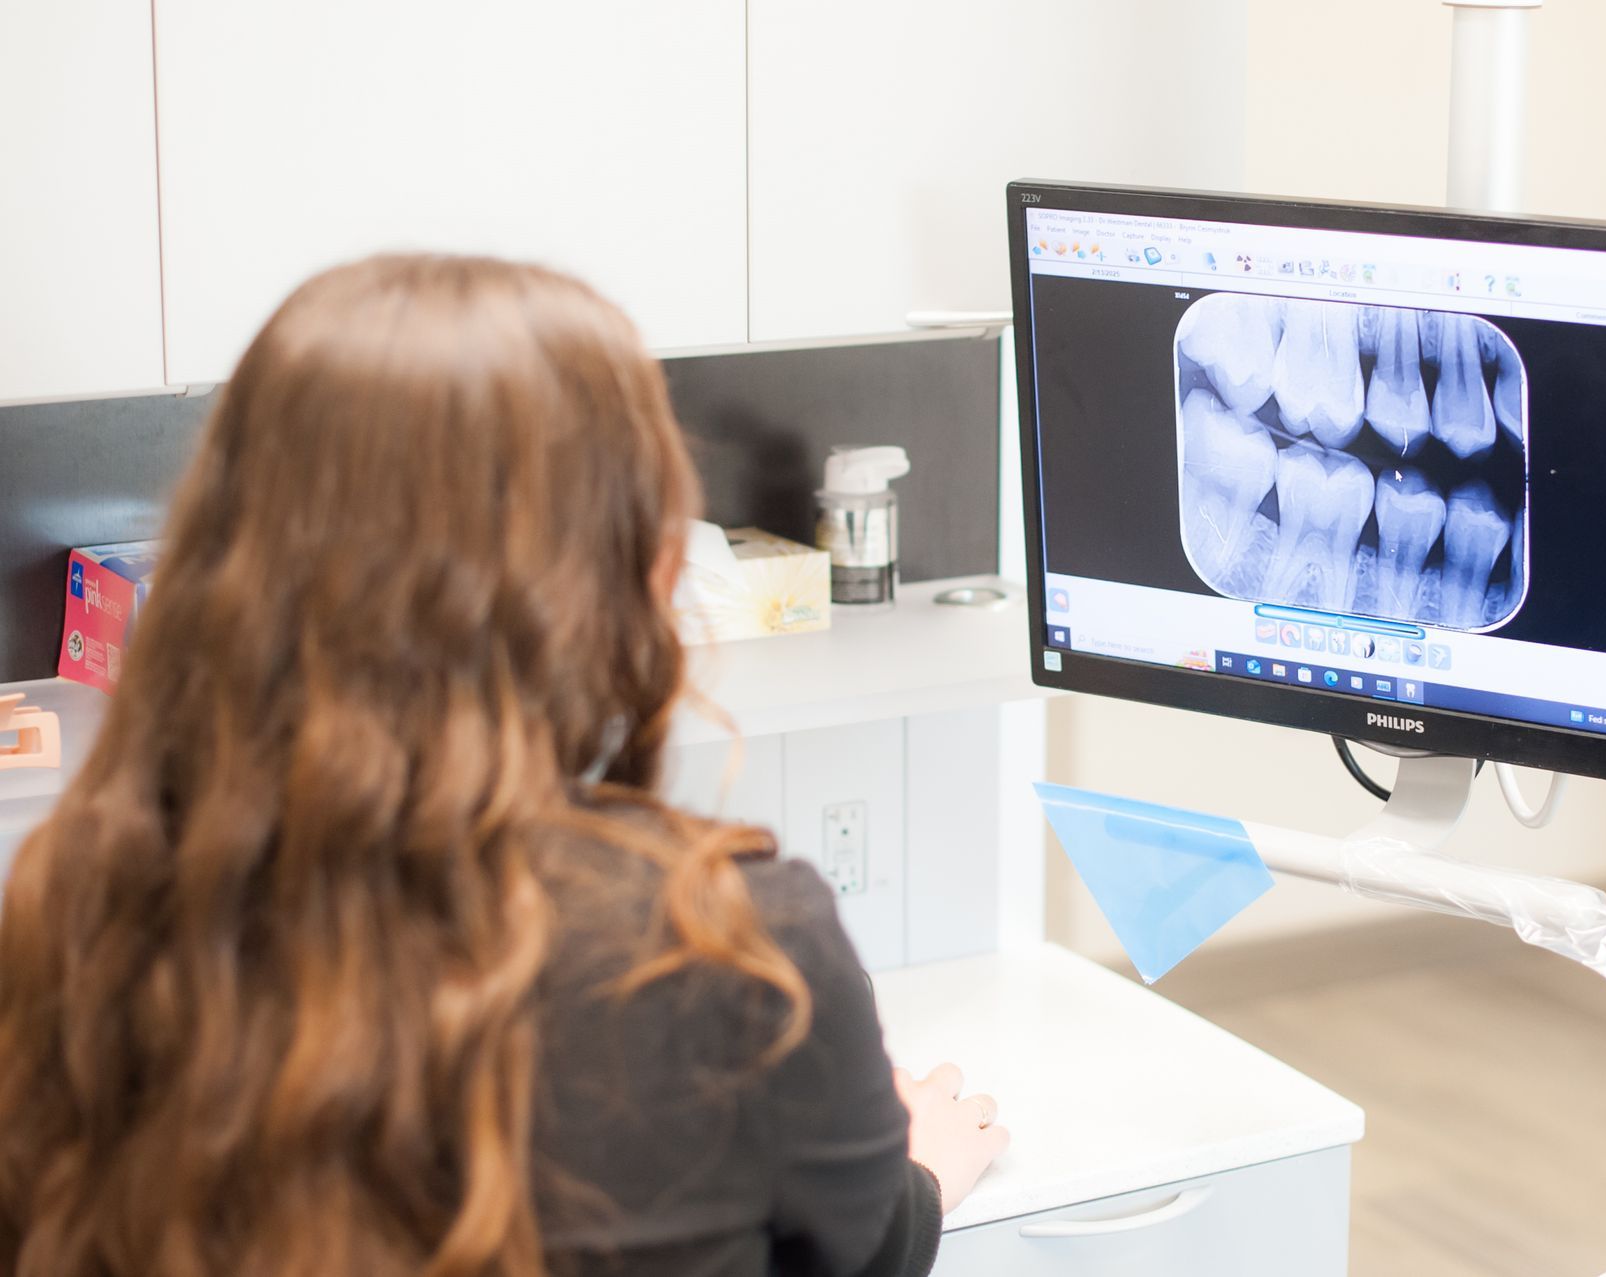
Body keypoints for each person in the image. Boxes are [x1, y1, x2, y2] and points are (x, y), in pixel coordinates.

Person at [0, 255, 1008, 1277]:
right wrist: (917, 1167)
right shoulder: (728, 950)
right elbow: (858, 1247)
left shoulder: (80, 907)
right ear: (637, 579)